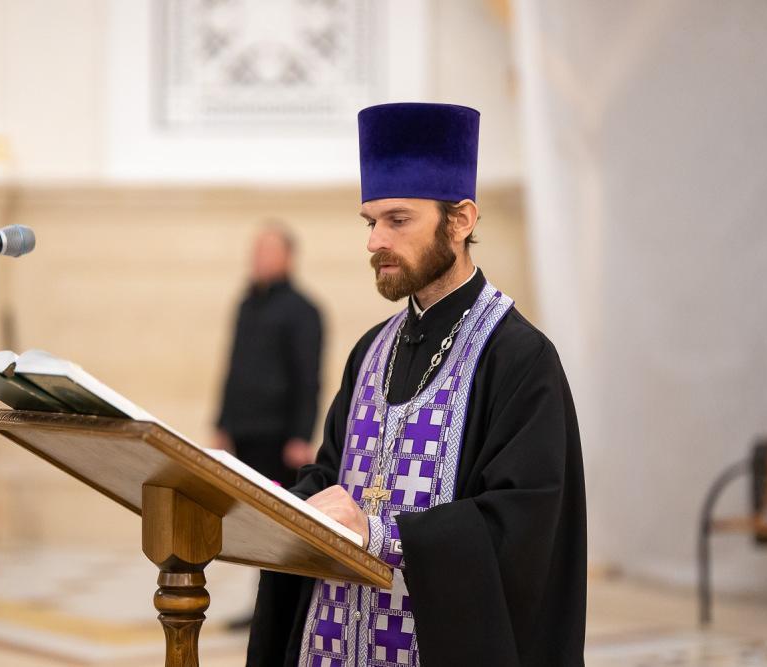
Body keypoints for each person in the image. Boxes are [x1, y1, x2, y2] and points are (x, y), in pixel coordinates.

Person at [246, 103, 587, 667]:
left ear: (461, 220)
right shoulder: (371, 351)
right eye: (370, 222)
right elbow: (330, 473)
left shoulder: (520, 359)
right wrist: (270, 506)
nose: (374, 241)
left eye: (398, 221)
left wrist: (381, 535)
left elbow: (521, 528)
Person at [215, 223, 323, 488]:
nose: (259, 257)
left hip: (278, 436)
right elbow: (234, 368)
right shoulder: (246, 305)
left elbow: (308, 377)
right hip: (242, 431)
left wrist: (301, 436)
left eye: (268, 250)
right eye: (257, 250)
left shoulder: (303, 310)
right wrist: (223, 424)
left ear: (289, 257)